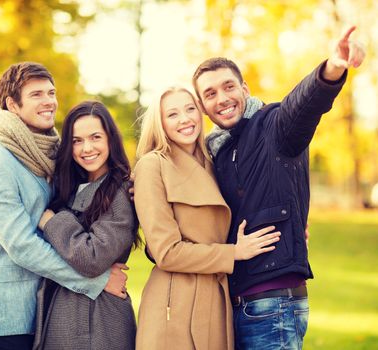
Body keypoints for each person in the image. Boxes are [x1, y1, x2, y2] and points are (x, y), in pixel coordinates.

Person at [191, 26, 365, 349]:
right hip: (240, 304)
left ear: (244, 88)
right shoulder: (218, 152)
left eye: (228, 86)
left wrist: (333, 67)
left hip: (274, 304)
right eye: (210, 93)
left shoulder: (274, 126)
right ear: (203, 106)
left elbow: (303, 105)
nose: (222, 98)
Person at [0, 62, 126, 350]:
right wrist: (96, 281)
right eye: (37, 94)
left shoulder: (44, 156)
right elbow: (22, 245)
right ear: (13, 104)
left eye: (51, 92)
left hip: (42, 315)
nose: (49, 101)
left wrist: (131, 183)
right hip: (3, 319)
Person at [134, 86, 282, 350]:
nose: (185, 119)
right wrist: (233, 253)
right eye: (173, 114)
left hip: (217, 297)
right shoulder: (152, 165)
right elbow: (166, 252)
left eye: (190, 109)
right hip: (175, 304)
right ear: (160, 123)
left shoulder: (214, 163)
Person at [33, 101, 140, 350]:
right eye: (77, 140)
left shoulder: (121, 190)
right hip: (66, 315)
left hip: (98, 322)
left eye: (95, 137)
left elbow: (92, 258)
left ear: (110, 140)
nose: (87, 148)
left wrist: (52, 221)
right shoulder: (68, 188)